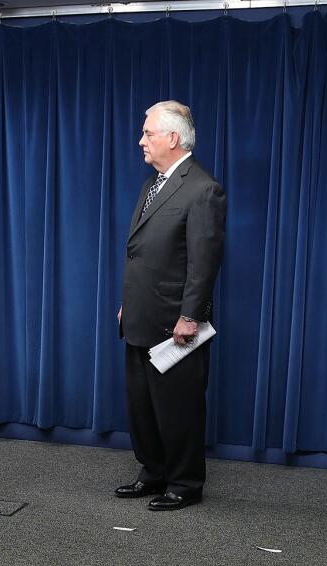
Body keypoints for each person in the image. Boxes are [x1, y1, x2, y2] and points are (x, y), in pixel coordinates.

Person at [114, 101, 226, 511]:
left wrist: (190, 316)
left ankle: (184, 483)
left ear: (173, 138)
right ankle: (153, 472)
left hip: (176, 324)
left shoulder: (203, 189)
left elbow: (204, 261)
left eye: (148, 133)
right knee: (142, 405)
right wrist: (128, 304)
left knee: (178, 408)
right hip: (141, 316)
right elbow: (142, 253)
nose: (141, 140)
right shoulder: (151, 184)